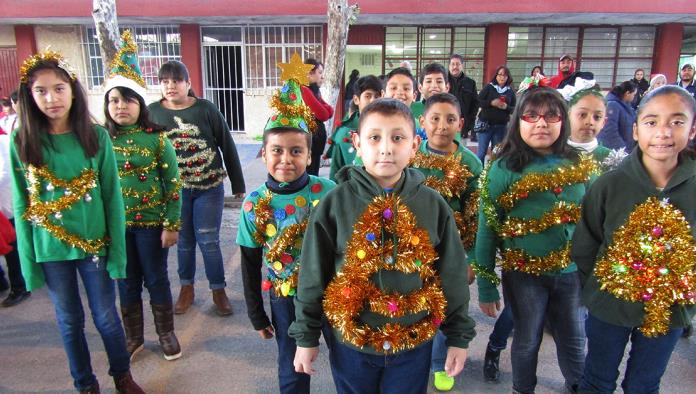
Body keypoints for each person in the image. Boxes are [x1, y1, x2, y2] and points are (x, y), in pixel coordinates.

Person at [290, 98, 475, 393]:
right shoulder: (335, 203)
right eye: (375, 137)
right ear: (357, 143)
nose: (386, 148)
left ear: (414, 145)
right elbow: (313, 275)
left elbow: (451, 273)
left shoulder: (432, 205)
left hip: (412, 343)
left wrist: (458, 337)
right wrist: (306, 337)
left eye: (397, 138)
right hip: (352, 343)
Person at [9, 50, 143, 393]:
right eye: (41, 91)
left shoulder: (95, 136)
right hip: (51, 250)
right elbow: (22, 204)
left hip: (94, 246)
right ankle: (85, 383)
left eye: (59, 88)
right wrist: (28, 263)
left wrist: (118, 256)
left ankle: (122, 376)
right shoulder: (22, 137)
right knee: (69, 321)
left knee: (106, 318)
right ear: (29, 95)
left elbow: (113, 199)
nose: (51, 98)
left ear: (73, 90)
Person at [571, 85, 696, 393]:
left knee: (644, 383)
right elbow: (586, 243)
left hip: (668, 309)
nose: (664, 132)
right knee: (597, 380)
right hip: (609, 303)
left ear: (692, 129)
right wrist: (599, 290)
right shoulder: (610, 185)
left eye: (676, 122)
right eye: (652, 122)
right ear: (636, 130)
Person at [475, 87, 591, 394]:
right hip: (523, 274)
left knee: (575, 340)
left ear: (562, 122)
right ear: (518, 121)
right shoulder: (504, 167)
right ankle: (521, 389)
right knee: (527, 341)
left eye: (551, 116)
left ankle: (577, 386)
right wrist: (486, 285)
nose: (541, 123)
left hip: (570, 274)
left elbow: (591, 222)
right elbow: (488, 228)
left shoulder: (577, 163)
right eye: (532, 115)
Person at [237, 59, 336, 393]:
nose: (286, 159)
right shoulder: (253, 204)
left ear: (310, 155)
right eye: (277, 150)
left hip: (335, 293)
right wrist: (256, 314)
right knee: (292, 364)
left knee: (347, 358)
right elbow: (250, 263)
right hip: (285, 297)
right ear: (263, 154)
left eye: (296, 151)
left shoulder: (328, 192)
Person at [104, 31, 183, 362]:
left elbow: (173, 184)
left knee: (156, 279)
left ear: (141, 104)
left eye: (129, 99)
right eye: (114, 100)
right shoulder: (100, 142)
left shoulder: (156, 139)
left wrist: (171, 225)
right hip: (116, 230)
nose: (121, 106)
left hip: (151, 227)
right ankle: (134, 336)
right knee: (126, 282)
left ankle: (166, 333)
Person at [148, 60, 245, 316]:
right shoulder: (152, 113)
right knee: (184, 242)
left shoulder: (206, 110)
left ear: (188, 84)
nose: (170, 86)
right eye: (164, 81)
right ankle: (186, 289)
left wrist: (238, 184)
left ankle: (218, 290)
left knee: (209, 239)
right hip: (175, 191)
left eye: (176, 81)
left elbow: (227, 144)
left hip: (208, 187)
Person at [411, 93, 481, 392]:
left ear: (461, 124)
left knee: (443, 305)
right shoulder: (411, 157)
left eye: (450, 119)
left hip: (453, 253)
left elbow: (478, 216)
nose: (442, 126)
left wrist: (472, 259)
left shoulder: (470, 164)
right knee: (414, 302)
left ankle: (439, 362)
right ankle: (413, 356)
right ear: (422, 122)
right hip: (413, 250)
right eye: (435, 119)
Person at [0, 111, 30, 307]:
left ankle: (20, 286)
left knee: (12, 247)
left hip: (6, 202)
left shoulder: (3, 140)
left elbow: (6, 171)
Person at [328, 75, 382, 181]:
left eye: (377, 96)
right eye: (368, 96)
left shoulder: (390, 128)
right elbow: (336, 172)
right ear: (356, 99)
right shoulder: (344, 133)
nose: (373, 100)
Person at [476, 65, 516, 163]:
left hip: (500, 127)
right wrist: (491, 102)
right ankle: (478, 174)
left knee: (496, 153)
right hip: (485, 125)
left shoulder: (510, 91)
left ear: (508, 77)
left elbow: (514, 109)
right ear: (496, 76)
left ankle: (491, 174)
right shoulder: (489, 87)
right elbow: (478, 101)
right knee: (481, 152)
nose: (502, 77)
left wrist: (506, 107)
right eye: (500, 74)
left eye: (505, 75)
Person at [302, 57, 334, 176]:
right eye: (320, 73)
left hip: (314, 144)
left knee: (313, 175)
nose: (322, 76)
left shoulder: (314, 91)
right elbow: (324, 114)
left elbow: (330, 110)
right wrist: (326, 109)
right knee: (309, 176)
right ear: (310, 73)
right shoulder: (304, 90)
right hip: (308, 143)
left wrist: (326, 109)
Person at [597, 81, 637, 151]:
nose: (634, 97)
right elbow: (610, 131)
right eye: (634, 94)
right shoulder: (612, 105)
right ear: (627, 93)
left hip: (625, 147)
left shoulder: (626, 105)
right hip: (614, 151)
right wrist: (623, 149)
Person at [448, 54, 478, 140]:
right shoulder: (443, 81)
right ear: (449, 66)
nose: (455, 67)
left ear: (462, 66)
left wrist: (469, 123)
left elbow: (475, 104)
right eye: (452, 64)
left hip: (462, 126)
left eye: (458, 64)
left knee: (460, 152)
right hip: (444, 124)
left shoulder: (470, 83)